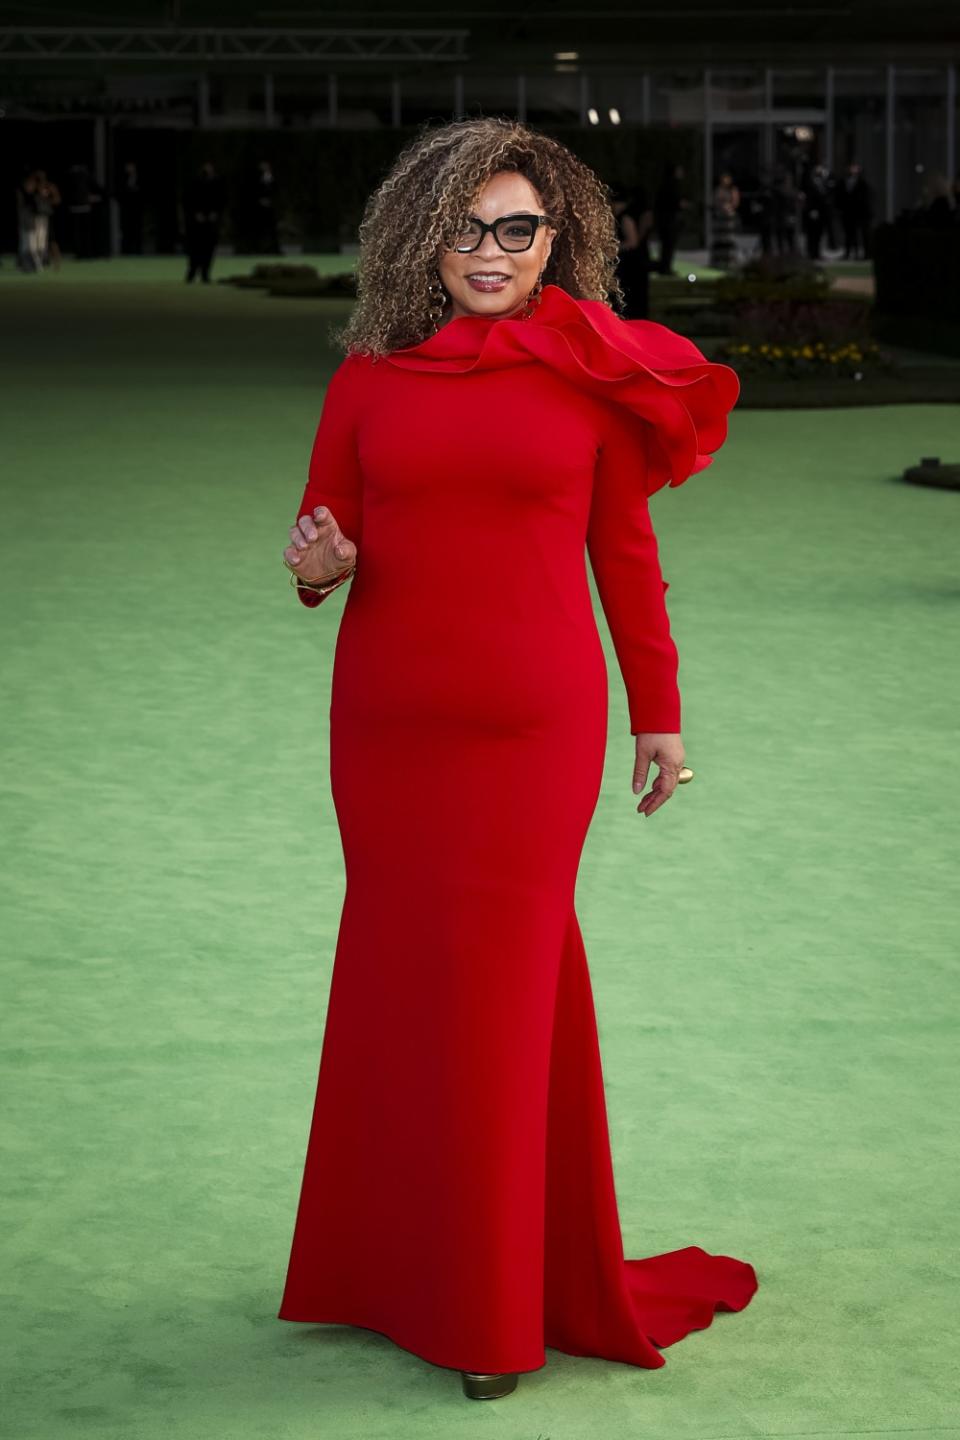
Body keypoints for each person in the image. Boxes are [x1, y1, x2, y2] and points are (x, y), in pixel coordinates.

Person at [277, 116, 758, 1403]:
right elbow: (331, 540)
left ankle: (493, 1312)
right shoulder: (367, 384)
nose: (491, 252)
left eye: (518, 229)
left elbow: (627, 563)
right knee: (400, 979)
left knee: (502, 990)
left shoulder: (589, 376)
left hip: (537, 730)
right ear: (421, 239)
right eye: (467, 228)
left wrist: (659, 716)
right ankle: (390, 1273)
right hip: (387, 728)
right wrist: (320, 567)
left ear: (561, 240)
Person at [611, 181, 652, 318]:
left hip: (631, 263)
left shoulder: (625, 217)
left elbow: (633, 242)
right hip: (629, 263)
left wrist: (614, 248)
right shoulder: (623, 216)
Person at [183, 160, 225, 283]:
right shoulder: (194, 182)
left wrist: (215, 213)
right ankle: (192, 272)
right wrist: (196, 214)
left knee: (209, 248)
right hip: (196, 222)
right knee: (194, 247)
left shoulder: (218, 182)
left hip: (211, 222)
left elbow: (222, 200)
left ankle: (205, 274)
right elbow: (188, 199)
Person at [653, 161, 689, 275]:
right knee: (668, 245)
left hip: (664, 219)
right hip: (669, 220)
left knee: (666, 245)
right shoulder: (673, 185)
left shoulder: (664, 184)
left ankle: (664, 267)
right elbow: (675, 202)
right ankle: (665, 268)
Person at [709, 170, 740, 268]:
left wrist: (729, 207)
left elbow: (735, 202)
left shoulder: (733, 190)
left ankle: (729, 261)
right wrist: (721, 207)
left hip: (729, 218)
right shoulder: (718, 190)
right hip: (720, 218)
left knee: (728, 240)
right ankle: (717, 261)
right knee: (719, 240)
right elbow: (715, 201)